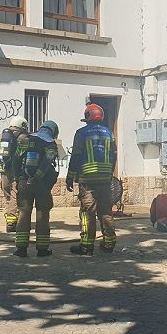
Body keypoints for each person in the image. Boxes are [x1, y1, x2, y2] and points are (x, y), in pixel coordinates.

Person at [66, 103, 118, 256]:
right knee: (106, 212)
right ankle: (109, 244)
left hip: (88, 181)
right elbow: (113, 155)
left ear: (88, 117)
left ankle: (86, 246)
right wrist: (109, 173)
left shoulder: (81, 133)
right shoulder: (109, 133)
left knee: (87, 213)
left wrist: (70, 177)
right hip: (105, 180)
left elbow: (76, 156)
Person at [12, 120, 60, 258]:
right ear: (53, 132)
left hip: (24, 182)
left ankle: (21, 249)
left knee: (23, 214)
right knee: (43, 215)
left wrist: (18, 178)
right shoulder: (51, 143)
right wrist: (37, 177)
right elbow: (47, 162)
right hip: (42, 185)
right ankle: (42, 249)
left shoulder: (27, 140)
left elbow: (15, 160)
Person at [0, 116, 29, 232]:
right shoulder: (24, 137)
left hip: (3, 170)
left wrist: (2, 155)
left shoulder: (2, 136)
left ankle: (10, 216)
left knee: (7, 195)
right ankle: (11, 223)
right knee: (15, 195)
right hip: (17, 171)